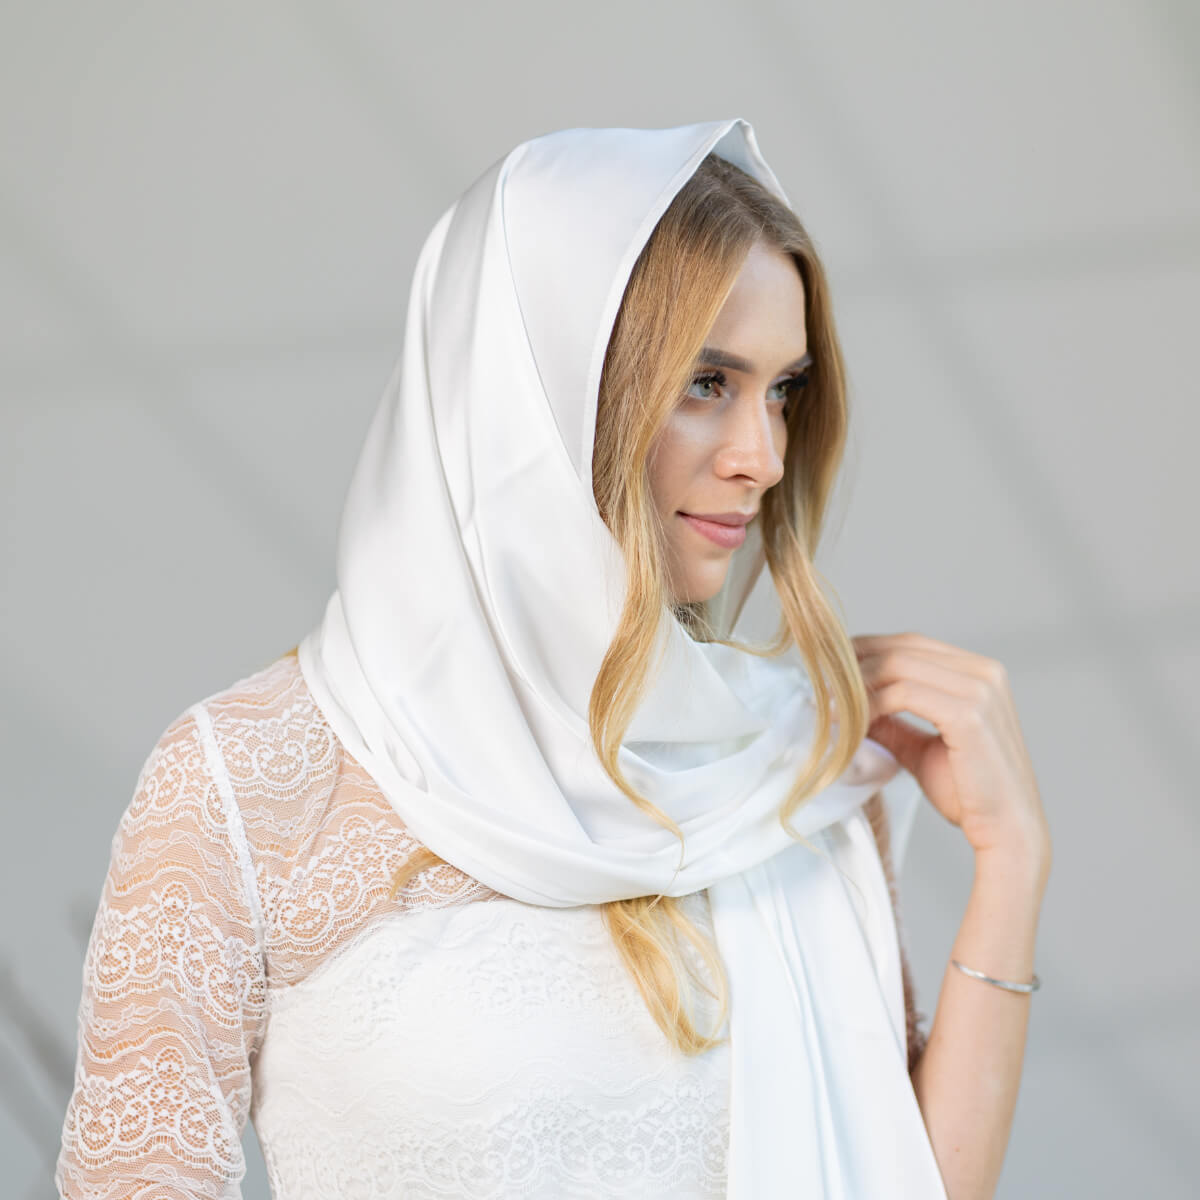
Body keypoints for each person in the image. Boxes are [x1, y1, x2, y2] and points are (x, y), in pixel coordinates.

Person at [56, 118, 1050, 1199]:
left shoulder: (783, 768)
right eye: (707, 382)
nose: (763, 457)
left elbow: (902, 1176)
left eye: (783, 390)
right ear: (537, 393)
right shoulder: (247, 784)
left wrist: (1012, 864)